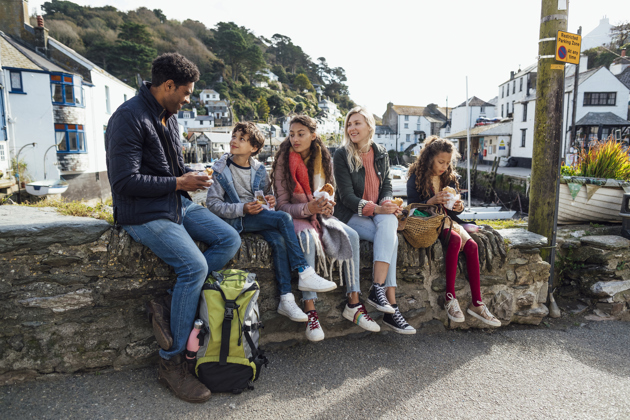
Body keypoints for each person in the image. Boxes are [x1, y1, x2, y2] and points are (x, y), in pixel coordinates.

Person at [106, 53, 241, 403]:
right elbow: (124, 182)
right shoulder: (128, 118)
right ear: (167, 86)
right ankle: (171, 363)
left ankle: (171, 304)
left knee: (229, 238)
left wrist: (191, 180)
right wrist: (179, 183)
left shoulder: (169, 117)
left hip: (173, 203)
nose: (188, 99)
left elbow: (174, 171)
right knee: (193, 266)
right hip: (141, 212)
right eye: (186, 93)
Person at [205, 122, 337, 342]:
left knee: (278, 239)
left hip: (257, 217)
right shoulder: (220, 169)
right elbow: (213, 205)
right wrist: (242, 208)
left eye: (241, 138)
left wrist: (270, 201)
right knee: (284, 218)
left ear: (254, 147)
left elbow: (266, 196)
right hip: (237, 222)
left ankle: (286, 298)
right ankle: (304, 271)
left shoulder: (258, 169)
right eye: (234, 136)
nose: (234, 141)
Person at [272, 115, 384, 337]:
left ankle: (353, 303)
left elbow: (331, 199)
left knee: (350, 234)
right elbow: (282, 207)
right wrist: (308, 209)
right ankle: (310, 311)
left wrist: (325, 207)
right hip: (296, 216)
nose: (295, 138)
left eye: (301, 134)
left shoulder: (324, 160)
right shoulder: (283, 164)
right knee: (307, 238)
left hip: (319, 215)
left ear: (313, 136)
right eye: (292, 134)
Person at [334, 106, 416, 334]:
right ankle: (392, 305)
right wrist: (378, 208)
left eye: (357, 123)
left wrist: (387, 203)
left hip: (378, 212)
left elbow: (387, 186)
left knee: (389, 225)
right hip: (350, 215)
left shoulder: (380, 152)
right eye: (349, 124)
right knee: (392, 240)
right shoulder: (342, 155)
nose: (352, 128)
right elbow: (346, 197)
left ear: (369, 126)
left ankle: (376, 289)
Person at [406, 136, 500, 327]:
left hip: (449, 220)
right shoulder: (416, 177)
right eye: (441, 162)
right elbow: (411, 208)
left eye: (448, 162)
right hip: (430, 222)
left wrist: (458, 206)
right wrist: (430, 202)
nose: (444, 166)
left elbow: (455, 208)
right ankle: (450, 297)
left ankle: (477, 303)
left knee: (472, 246)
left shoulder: (450, 177)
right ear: (429, 158)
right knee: (456, 241)